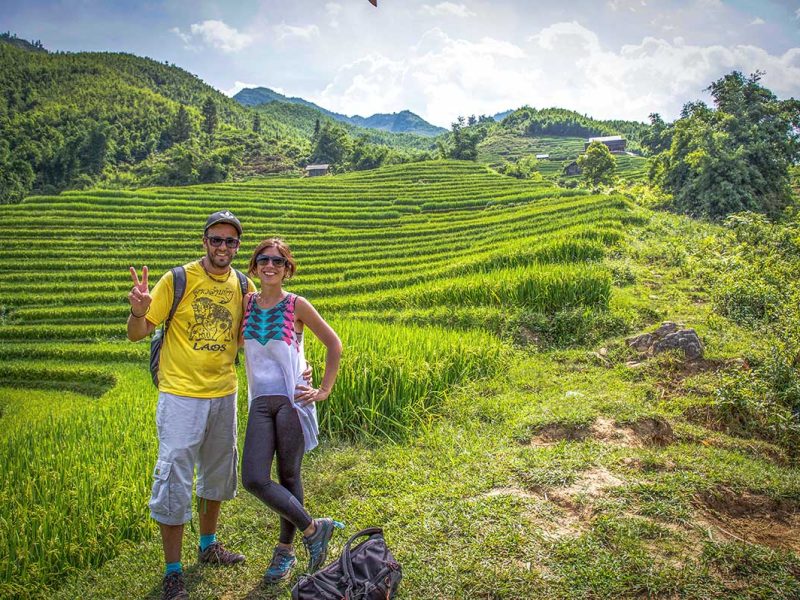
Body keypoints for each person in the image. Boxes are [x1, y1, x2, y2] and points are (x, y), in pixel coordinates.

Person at [127, 210, 256, 600]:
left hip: (224, 392)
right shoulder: (177, 279)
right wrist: (138, 309)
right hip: (181, 396)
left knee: (217, 472)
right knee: (174, 478)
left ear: (237, 246)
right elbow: (137, 333)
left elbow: (246, 339)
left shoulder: (243, 284)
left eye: (230, 241)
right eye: (216, 239)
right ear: (204, 242)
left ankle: (208, 545)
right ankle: (172, 570)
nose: (222, 246)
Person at [239, 237, 343, 583]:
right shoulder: (247, 303)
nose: (270, 266)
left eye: (278, 261)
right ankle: (314, 528)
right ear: (255, 266)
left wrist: (323, 389)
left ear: (287, 269)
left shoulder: (297, 304)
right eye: (263, 260)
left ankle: (284, 551)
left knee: (288, 476)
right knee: (254, 478)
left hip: (291, 401)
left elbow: (334, 344)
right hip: (260, 400)